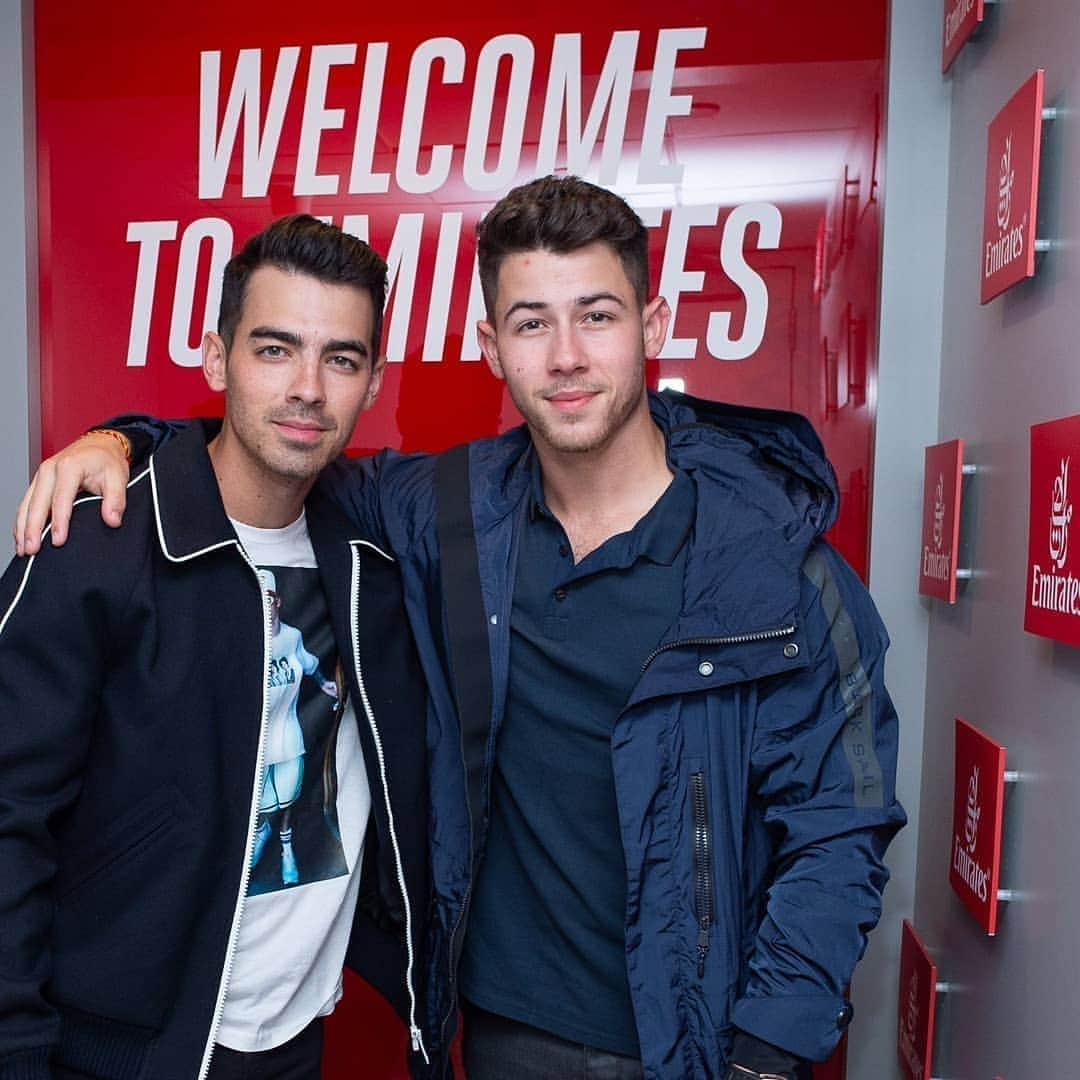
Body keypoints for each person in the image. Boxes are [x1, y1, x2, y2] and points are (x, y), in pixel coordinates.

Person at [17, 176, 906, 1080]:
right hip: (498, 1034)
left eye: (596, 316)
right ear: (492, 346)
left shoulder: (772, 563)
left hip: (701, 1044)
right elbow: (270, 444)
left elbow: (840, 827)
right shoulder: (442, 515)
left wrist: (769, 1050)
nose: (565, 356)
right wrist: (121, 442)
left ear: (656, 323)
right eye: (530, 323)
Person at [0, 215, 435, 1080]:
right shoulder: (96, 546)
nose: (307, 387)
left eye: (340, 359)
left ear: (373, 381)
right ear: (216, 358)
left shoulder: (377, 552)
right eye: (274, 349)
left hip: (291, 1040)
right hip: (115, 1053)